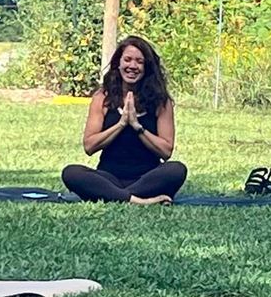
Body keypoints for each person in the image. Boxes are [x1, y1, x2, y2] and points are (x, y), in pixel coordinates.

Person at [62, 36, 187, 204]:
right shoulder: (102, 98)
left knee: (177, 169)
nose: (132, 66)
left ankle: (117, 196)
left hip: (147, 178)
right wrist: (121, 124)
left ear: (147, 67)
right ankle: (139, 200)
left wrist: (137, 126)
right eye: (127, 60)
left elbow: (166, 151)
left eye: (139, 62)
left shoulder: (161, 102)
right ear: (118, 64)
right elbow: (89, 146)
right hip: (109, 177)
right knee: (71, 173)